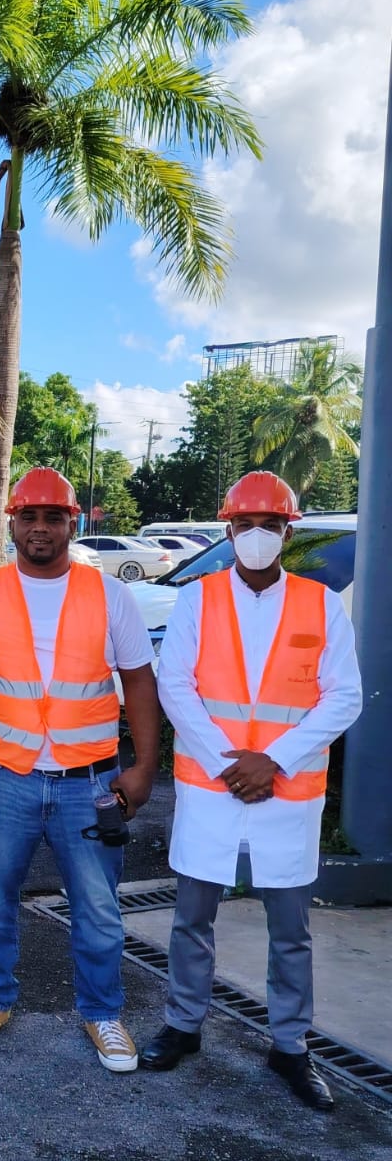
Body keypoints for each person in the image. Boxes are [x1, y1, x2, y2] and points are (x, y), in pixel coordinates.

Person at [139, 472, 361, 1110]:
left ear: (287, 532)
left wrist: (275, 761)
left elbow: (342, 693)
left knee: (290, 928)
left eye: (270, 526)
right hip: (214, 787)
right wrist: (229, 762)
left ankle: (290, 1045)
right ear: (227, 529)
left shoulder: (319, 605)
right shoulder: (198, 600)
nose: (256, 536)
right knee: (191, 918)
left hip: (285, 794)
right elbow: (174, 684)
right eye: (245, 525)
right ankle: (184, 1026)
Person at [0, 467, 161, 1072]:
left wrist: (144, 766)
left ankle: (103, 1012)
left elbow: (139, 678)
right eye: (29, 517)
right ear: (12, 521)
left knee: (96, 904)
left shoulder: (108, 593)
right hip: (4, 775)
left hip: (88, 780)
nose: (40, 528)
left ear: (73, 522)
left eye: (52, 517)